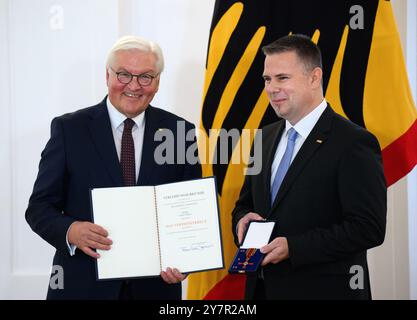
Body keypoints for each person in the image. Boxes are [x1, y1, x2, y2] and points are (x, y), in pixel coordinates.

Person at [26, 35, 201, 299]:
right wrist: (71, 231)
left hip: (155, 289)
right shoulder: (69, 129)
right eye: (123, 74)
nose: (134, 85)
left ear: (157, 82)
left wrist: (187, 258)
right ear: (107, 75)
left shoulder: (180, 132)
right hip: (82, 286)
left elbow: (190, 212)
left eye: (146, 77)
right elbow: (39, 208)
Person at [232, 34, 386, 300]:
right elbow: (245, 204)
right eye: (267, 79)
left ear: (315, 78)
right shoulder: (264, 137)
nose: (271, 88)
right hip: (262, 291)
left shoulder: (354, 142)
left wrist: (294, 247)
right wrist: (241, 220)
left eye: (282, 78)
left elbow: (368, 228)